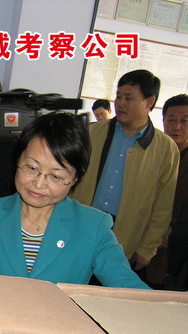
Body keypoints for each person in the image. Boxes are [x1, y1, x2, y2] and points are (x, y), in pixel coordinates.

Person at [0, 112, 149, 334]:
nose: (39, 183)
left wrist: (170, 316)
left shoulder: (92, 226)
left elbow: (127, 288)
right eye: (31, 168)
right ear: (17, 160)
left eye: (56, 176)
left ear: (75, 178)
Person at [71, 70, 179, 273]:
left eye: (128, 98)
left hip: (125, 238)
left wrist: (147, 248)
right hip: (80, 228)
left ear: (149, 102)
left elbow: (163, 206)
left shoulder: (166, 149)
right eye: (118, 96)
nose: (120, 103)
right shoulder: (92, 133)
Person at [146, 94, 188, 289]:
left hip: (175, 246)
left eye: (184, 121)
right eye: (171, 120)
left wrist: (173, 231)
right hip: (143, 237)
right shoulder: (151, 153)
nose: (177, 126)